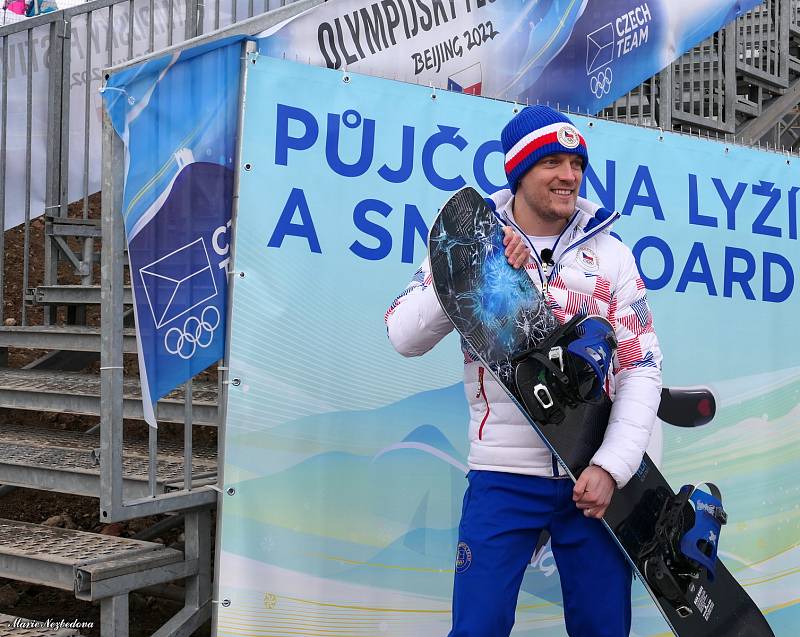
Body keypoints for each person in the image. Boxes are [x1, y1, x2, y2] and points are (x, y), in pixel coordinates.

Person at [384, 105, 663, 637]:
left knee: (604, 629)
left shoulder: (612, 256)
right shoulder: (467, 240)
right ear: (519, 172)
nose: (569, 176)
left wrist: (612, 466)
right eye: (552, 162)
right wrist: (476, 269)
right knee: (477, 628)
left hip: (592, 469)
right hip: (503, 473)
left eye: (576, 163)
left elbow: (640, 368)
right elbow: (403, 335)